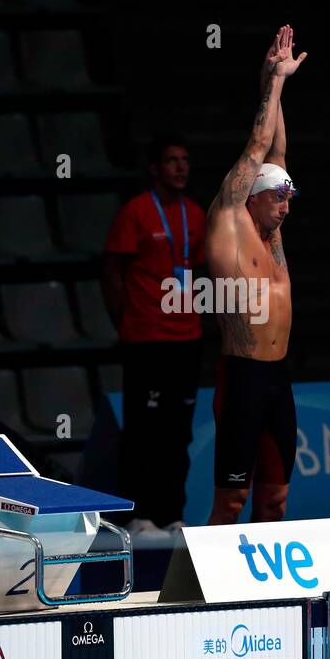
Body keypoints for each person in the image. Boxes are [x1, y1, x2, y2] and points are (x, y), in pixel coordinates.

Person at [205, 25, 304, 525]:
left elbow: (279, 152)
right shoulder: (229, 219)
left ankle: (272, 598)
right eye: (279, 198)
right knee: (231, 501)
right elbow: (260, 142)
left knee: (275, 500)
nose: (286, 207)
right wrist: (274, 84)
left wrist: (273, 81)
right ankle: (202, 598)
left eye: (290, 197)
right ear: (252, 195)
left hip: (278, 378)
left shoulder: (273, 237)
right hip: (241, 375)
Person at [103, 132, 207, 536]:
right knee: (143, 431)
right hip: (146, 339)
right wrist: (123, 321)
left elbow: (193, 269)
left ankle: (171, 513)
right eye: (171, 160)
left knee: (177, 432)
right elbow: (111, 270)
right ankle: (137, 514)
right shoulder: (136, 212)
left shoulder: (195, 215)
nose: (181, 166)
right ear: (154, 168)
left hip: (187, 337)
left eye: (185, 159)